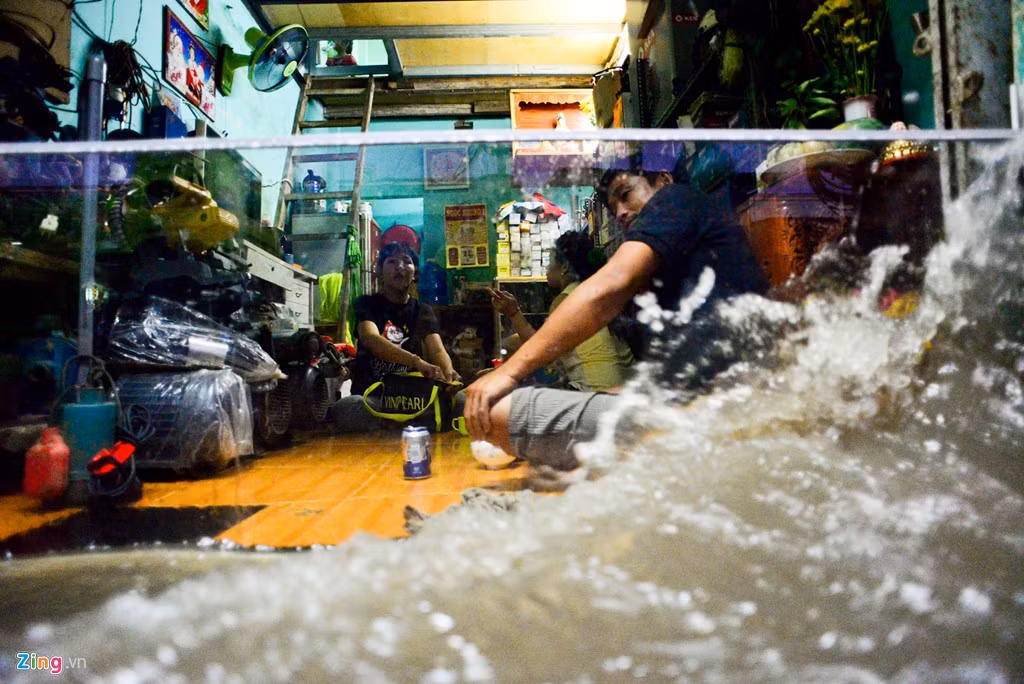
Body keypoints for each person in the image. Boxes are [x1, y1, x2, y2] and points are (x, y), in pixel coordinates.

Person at [464, 161, 769, 467]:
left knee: (494, 411)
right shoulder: (679, 276)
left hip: (712, 412)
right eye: (613, 207)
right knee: (490, 406)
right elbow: (678, 369)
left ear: (663, 180)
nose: (621, 212)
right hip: (694, 404)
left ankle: (678, 457)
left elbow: (610, 288)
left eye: (626, 194)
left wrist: (507, 372)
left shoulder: (675, 198)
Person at [331, 242, 460, 431]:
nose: (400, 267)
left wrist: (448, 373)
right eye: (392, 262)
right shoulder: (367, 304)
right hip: (375, 398)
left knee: (463, 401)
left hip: (412, 400)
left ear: (415, 273)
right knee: (348, 407)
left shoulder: (422, 311)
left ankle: (401, 424)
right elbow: (371, 339)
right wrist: (416, 362)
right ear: (380, 272)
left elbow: (437, 349)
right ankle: (411, 424)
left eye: (407, 262)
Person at [488, 230, 634, 392]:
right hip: (628, 395)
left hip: (597, 396)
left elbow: (541, 354)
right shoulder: (601, 290)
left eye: (550, 261)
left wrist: (514, 313)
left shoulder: (566, 299)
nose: (546, 267)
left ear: (564, 267)